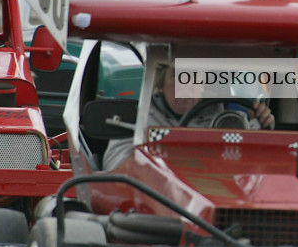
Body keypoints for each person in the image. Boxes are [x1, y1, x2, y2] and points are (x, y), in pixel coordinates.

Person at [102, 64, 274, 170]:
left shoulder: (225, 119)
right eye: (177, 76)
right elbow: (114, 162)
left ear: (202, 85)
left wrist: (264, 124)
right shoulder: (139, 117)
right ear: (160, 85)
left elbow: (253, 160)